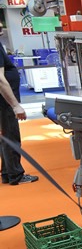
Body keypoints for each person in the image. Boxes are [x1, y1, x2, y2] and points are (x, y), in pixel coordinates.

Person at [0, 23, 39, 185]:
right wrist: (15, 105)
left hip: (4, 101)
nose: (1, 27)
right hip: (5, 101)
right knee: (11, 136)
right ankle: (15, 174)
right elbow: (0, 80)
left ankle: (8, 173)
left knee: (6, 137)